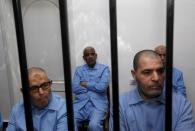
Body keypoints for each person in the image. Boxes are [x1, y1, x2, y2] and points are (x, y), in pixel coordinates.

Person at [109, 50, 195, 131]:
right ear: (134, 75)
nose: (156, 78)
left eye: (160, 71)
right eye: (147, 72)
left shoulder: (181, 104)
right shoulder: (121, 104)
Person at [72, 46, 110, 131]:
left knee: (93, 126)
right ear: (84, 57)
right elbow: (74, 88)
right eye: (87, 55)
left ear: (96, 56)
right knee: (69, 122)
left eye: (92, 54)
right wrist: (94, 87)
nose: (90, 56)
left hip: (98, 105)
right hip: (80, 105)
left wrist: (85, 84)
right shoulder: (79, 70)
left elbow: (102, 87)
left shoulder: (104, 69)